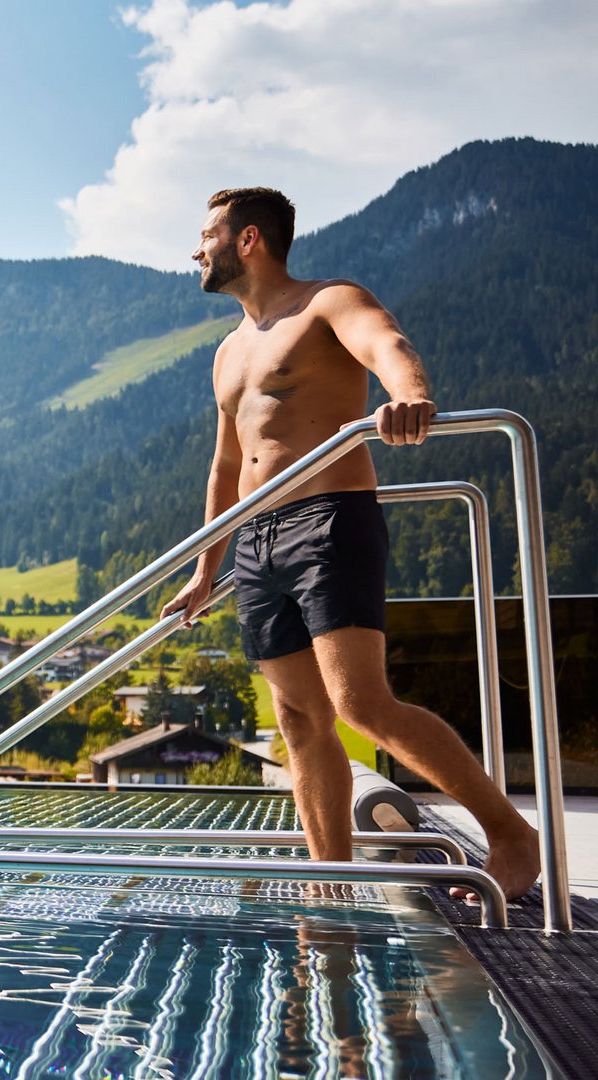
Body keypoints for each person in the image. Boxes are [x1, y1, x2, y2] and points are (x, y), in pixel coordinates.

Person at [158, 186, 539, 903]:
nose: (195, 250)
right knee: (299, 720)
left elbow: (387, 343)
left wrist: (408, 394)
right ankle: (330, 884)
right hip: (256, 544)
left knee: (361, 704)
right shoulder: (228, 352)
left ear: (248, 240)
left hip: (329, 520)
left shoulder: (327, 302)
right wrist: (207, 566)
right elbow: (225, 466)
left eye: (207, 236)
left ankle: (512, 836)